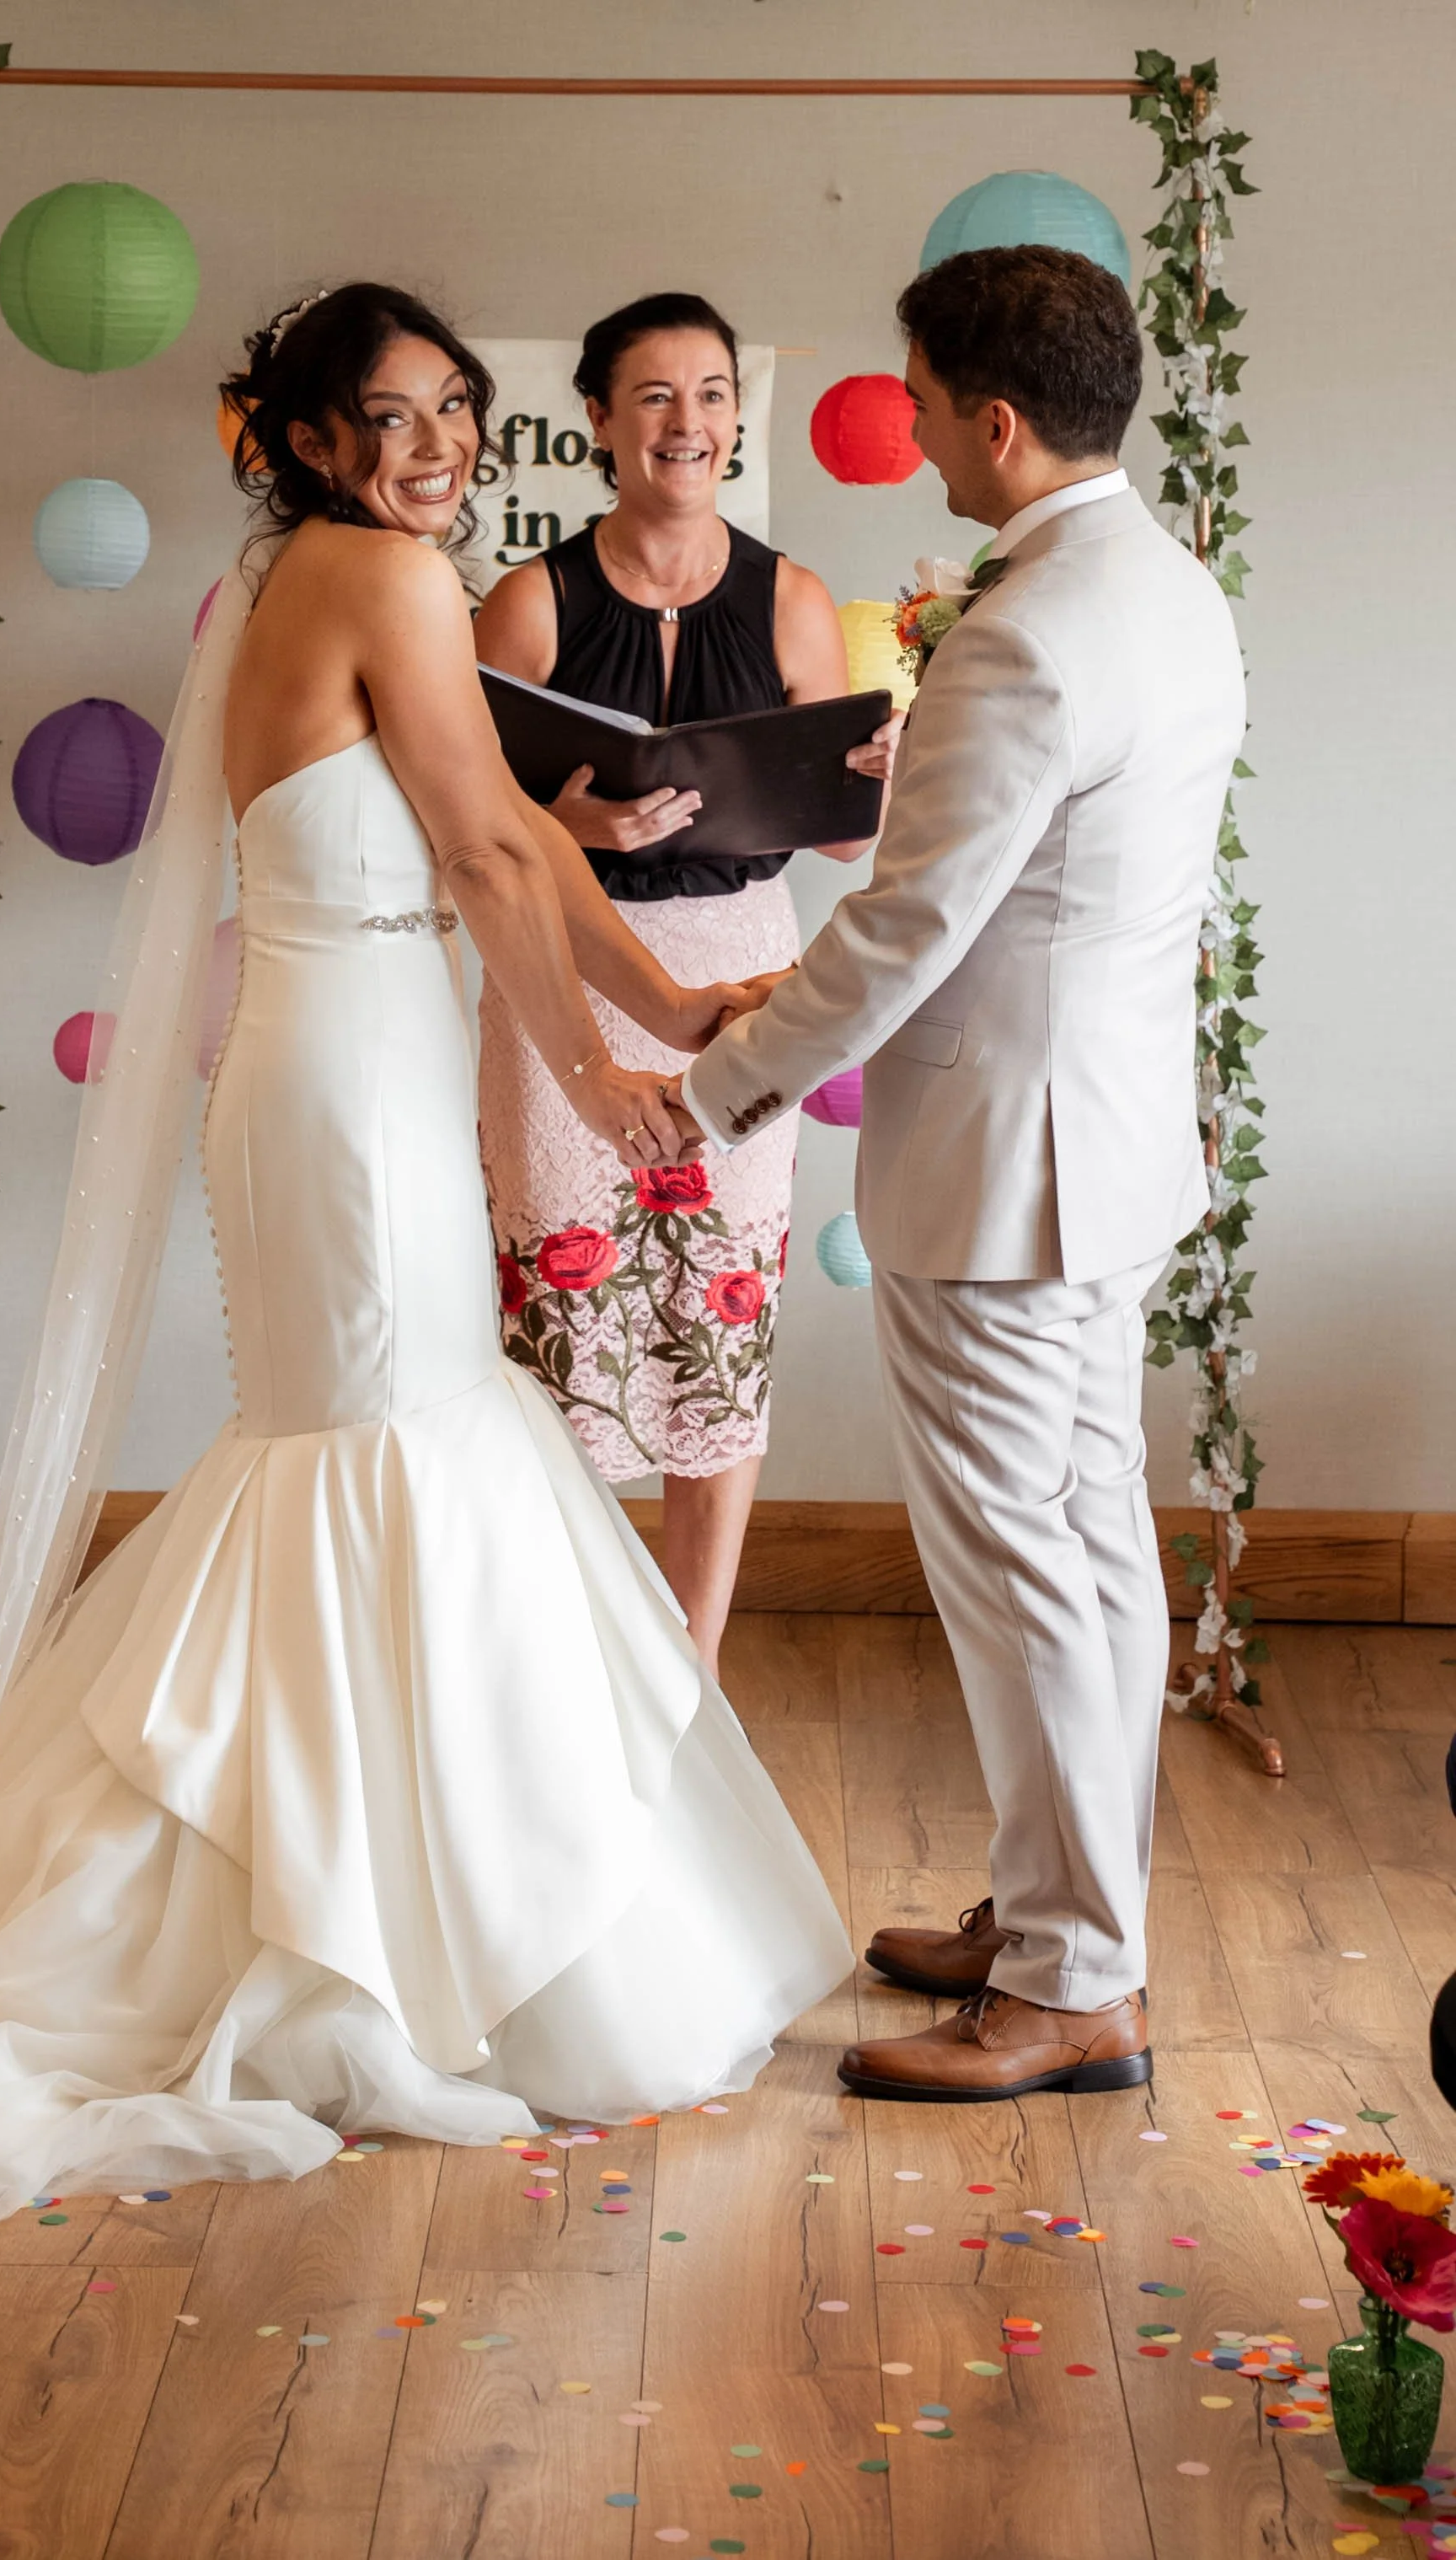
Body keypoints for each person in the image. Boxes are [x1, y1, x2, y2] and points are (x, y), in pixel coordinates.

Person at [0, 284, 850, 2247]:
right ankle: (349, 1917)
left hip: (350, 1056)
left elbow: (506, 832)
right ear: (312, 439)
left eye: (452, 411)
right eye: (392, 418)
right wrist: (621, 1050)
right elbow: (498, 863)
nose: (435, 448)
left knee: (376, 1439)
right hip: (346, 1079)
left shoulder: (312, 582)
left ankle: (343, 1875)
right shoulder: (385, 581)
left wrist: (635, 991)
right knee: (375, 1445)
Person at [673, 245, 1247, 2103]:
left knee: (1023, 1562)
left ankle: (1076, 1980)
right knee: (1087, 1545)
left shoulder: (1020, 633)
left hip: (1012, 1167)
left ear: (995, 425)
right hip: (1109, 1143)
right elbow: (1031, 905)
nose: (906, 427)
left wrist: (720, 1084)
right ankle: (1061, 1900)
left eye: (918, 401)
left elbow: (913, 928)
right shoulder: (1169, 587)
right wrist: (790, 985)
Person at [473, 292, 898, 1674]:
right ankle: (563, 1649)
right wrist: (574, 831)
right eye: (656, 397)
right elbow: (457, 827)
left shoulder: (790, 597)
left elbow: (836, 835)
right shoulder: (526, 600)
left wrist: (882, 782)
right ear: (597, 417)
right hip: (563, 982)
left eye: (713, 394)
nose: (690, 423)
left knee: (725, 1303)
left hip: (745, 966)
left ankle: (690, 1666)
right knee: (561, 1316)